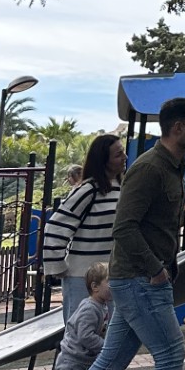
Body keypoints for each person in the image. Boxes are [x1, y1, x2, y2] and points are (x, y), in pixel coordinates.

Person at [40, 96, 185, 370]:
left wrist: (166, 267)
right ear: (178, 128)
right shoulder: (148, 169)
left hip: (142, 280)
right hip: (138, 280)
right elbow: (125, 228)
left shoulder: (174, 167)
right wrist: (155, 270)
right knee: (170, 355)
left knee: (109, 363)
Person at [42, 133, 125, 320]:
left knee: (109, 330)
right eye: (118, 154)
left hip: (112, 274)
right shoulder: (89, 190)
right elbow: (56, 226)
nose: (124, 158)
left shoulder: (121, 188)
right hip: (83, 276)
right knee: (82, 329)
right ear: (104, 160)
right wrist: (59, 267)